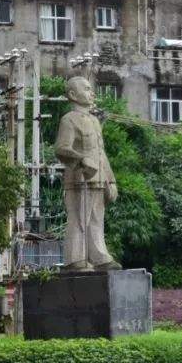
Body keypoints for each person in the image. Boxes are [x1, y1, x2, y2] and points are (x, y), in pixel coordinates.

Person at [55, 76, 120, 271]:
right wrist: (81, 160)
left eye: (91, 89)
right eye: (86, 89)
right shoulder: (69, 120)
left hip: (98, 178)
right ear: (73, 95)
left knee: (96, 219)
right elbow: (61, 148)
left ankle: (98, 256)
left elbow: (101, 152)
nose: (92, 93)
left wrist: (111, 180)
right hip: (79, 178)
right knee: (78, 218)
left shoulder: (94, 121)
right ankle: (75, 259)